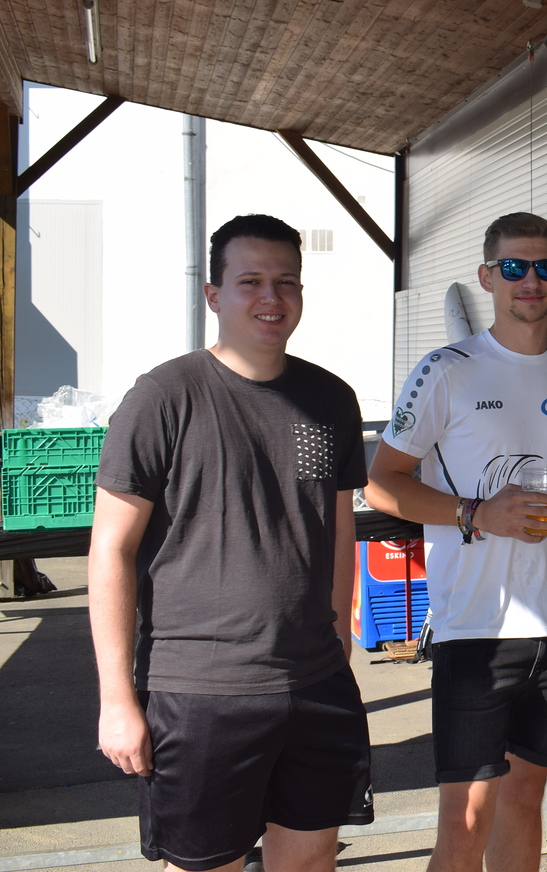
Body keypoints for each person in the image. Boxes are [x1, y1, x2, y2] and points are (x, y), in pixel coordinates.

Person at [89, 214, 372, 872]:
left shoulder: (330, 399)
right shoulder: (163, 397)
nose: (272, 297)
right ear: (214, 295)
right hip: (200, 691)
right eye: (250, 281)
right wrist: (116, 700)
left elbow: (338, 528)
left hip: (315, 681)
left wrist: (339, 643)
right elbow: (110, 551)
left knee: (312, 857)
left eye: (286, 282)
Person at [364, 212, 547, 872]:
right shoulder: (446, 370)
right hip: (477, 627)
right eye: (513, 267)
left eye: (544, 267)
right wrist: (476, 514)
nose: (530, 280)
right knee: (466, 816)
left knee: (524, 802)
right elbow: (382, 485)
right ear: (487, 276)